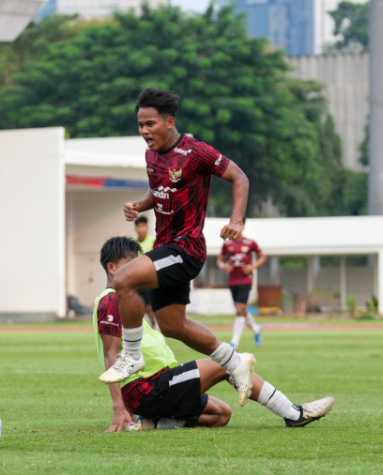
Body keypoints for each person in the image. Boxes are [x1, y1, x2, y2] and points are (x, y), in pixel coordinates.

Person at [100, 87, 257, 407]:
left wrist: (237, 221)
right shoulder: (151, 155)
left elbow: (240, 177)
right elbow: (159, 192)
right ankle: (236, 364)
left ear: (169, 122)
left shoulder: (196, 151)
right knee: (173, 326)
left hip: (186, 248)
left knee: (124, 279)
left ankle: (131, 355)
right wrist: (139, 205)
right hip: (165, 246)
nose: (144, 131)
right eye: (140, 124)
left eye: (150, 124)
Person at [95, 237, 334, 432]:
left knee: (221, 415)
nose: (136, 270)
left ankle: (152, 422)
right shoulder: (111, 299)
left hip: (159, 384)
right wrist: (119, 407)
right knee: (224, 364)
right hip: (147, 388)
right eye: (130, 264)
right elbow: (110, 355)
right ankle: (293, 413)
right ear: (112, 268)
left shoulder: (124, 300)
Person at [217, 218, 266, 349]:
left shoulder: (250, 243)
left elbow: (262, 257)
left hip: (246, 280)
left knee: (239, 310)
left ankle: (234, 343)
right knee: (242, 310)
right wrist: (224, 267)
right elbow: (220, 260)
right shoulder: (227, 245)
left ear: (242, 227)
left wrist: (252, 267)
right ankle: (256, 329)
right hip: (233, 280)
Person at [133, 216, 158, 331]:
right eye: (138, 226)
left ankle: (154, 327)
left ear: (147, 228)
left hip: (147, 280)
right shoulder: (132, 242)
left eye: (143, 226)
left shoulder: (152, 241)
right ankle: (137, 329)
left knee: (149, 307)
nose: (141, 229)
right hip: (135, 280)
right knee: (135, 306)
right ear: (136, 229)